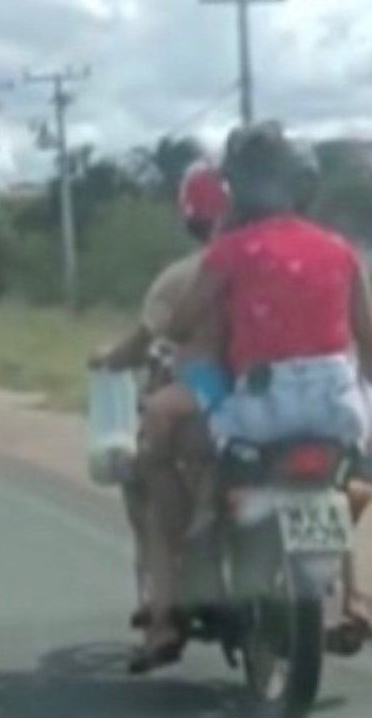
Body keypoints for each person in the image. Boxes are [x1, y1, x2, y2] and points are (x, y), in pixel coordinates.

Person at [139, 121, 372, 672]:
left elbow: (180, 324)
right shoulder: (339, 250)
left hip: (262, 405)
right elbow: (368, 338)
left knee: (215, 469)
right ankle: (354, 590)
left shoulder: (230, 253)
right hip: (337, 406)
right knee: (352, 477)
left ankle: (196, 571)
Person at [90, 161, 231, 648]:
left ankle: (165, 612)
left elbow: (143, 342)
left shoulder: (181, 277)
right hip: (269, 400)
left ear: (189, 216)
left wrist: (108, 359)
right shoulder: (270, 264)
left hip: (205, 405)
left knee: (148, 474)